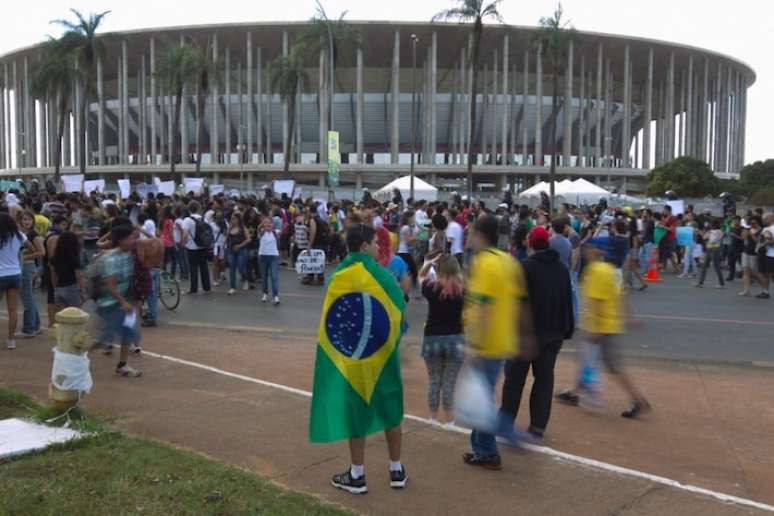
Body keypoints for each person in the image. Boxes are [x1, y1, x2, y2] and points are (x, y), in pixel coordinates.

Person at [310, 224, 407, 494]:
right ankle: (396, 469)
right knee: (391, 411)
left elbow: (331, 320)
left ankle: (357, 475)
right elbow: (400, 309)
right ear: (364, 246)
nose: (379, 247)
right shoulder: (384, 276)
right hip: (383, 357)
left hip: (353, 361)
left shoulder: (339, 275)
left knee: (356, 413)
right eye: (375, 243)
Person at [462, 215, 533, 471]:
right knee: (482, 396)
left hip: (487, 342)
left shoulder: (484, 264)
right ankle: (483, 449)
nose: (468, 236)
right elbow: (522, 302)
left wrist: (476, 346)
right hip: (503, 340)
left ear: (481, 234)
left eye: (471, 232)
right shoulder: (508, 261)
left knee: (481, 400)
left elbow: (484, 308)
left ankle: (498, 442)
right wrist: (525, 336)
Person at [556, 240, 651, 418]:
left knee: (610, 365)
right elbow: (622, 296)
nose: (586, 252)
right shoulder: (612, 272)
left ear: (596, 251)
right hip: (608, 325)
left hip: (599, 327)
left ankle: (637, 400)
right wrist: (628, 318)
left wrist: (596, 329)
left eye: (589, 248)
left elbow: (598, 302)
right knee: (588, 360)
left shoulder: (596, 271)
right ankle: (576, 392)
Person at [500, 227, 573, 439]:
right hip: (553, 333)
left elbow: (515, 302)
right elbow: (567, 299)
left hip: (526, 335)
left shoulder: (524, 267)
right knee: (544, 379)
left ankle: (506, 422)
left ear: (530, 243)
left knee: (514, 381)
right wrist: (566, 329)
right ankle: (538, 425)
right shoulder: (561, 268)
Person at [419, 255, 465, 425]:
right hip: (456, 338)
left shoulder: (431, 287)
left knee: (434, 379)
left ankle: (432, 417)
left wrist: (428, 264)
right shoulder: (463, 289)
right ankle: (450, 420)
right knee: (449, 381)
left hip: (432, 337)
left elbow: (421, 277)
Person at [96, 224, 142, 377]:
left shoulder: (127, 254)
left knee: (128, 333)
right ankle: (77, 354)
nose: (132, 241)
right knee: (104, 338)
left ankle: (122, 365)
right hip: (110, 305)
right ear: (120, 240)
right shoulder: (112, 258)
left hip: (122, 303)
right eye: (129, 238)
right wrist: (123, 302)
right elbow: (110, 285)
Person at [0, 213, 36, 349]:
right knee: (13, 309)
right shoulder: (19, 235)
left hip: (0, 274)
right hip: (15, 273)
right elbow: (32, 249)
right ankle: (11, 339)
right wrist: (18, 253)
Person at [17, 210, 44, 338]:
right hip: (25, 267)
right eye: (24, 219)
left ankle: (29, 328)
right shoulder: (22, 234)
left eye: (29, 219)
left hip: (27, 267)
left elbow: (41, 252)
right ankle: (36, 325)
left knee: (27, 298)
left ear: (33, 221)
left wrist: (23, 257)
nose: (26, 222)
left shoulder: (34, 236)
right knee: (29, 297)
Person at [182, 201, 212, 295]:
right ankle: (207, 287)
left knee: (193, 268)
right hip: (203, 246)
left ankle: (193, 288)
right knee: (204, 267)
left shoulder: (187, 220)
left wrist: (183, 243)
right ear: (198, 208)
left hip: (192, 248)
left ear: (189, 209)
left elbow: (185, 234)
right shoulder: (203, 219)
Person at [50, 231, 84, 309]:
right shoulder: (74, 259)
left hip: (59, 288)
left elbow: (53, 275)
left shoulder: (55, 258)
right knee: (75, 315)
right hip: (72, 288)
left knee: (64, 315)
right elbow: (78, 276)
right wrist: (82, 291)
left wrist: (55, 288)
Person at [226, 211, 251, 295]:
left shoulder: (243, 228)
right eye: (232, 219)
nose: (233, 221)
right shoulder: (230, 228)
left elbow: (248, 239)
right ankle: (232, 287)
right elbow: (227, 239)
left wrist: (239, 246)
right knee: (232, 268)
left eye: (234, 219)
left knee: (241, 266)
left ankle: (245, 279)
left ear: (238, 219)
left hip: (241, 250)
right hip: (231, 249)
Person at [695, 219, 725, 288]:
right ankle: (701, 282)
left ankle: (721, 283)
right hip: (714, 249)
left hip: (712, 249)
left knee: (713, 267)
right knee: (707, 266)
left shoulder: (712, 232)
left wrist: (701, 232)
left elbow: (704, 237)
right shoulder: (720, 231)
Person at [258, 216, 280, 304]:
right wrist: (263, 224)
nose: (267, 224)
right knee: (264, 276)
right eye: (265, 223)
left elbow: (279, 235)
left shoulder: (275, 232)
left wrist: (272, 228)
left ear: (272, 223)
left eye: (269, 223)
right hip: (263, 256)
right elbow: (259, 228)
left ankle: (275, 296)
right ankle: (265, 293)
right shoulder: (261, 232)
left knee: (274, 276)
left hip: (273, 256)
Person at [758, 212, 774, 299]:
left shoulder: (769, 229)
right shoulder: (765, 229)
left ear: (770, 219)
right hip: (767, 254)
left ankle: (765, 291)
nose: (763, 220)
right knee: (766, 273)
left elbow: (769, 241)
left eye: (765, 219)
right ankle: (765, 291)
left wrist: (764, 243)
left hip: (771, 255)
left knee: (771, 274)